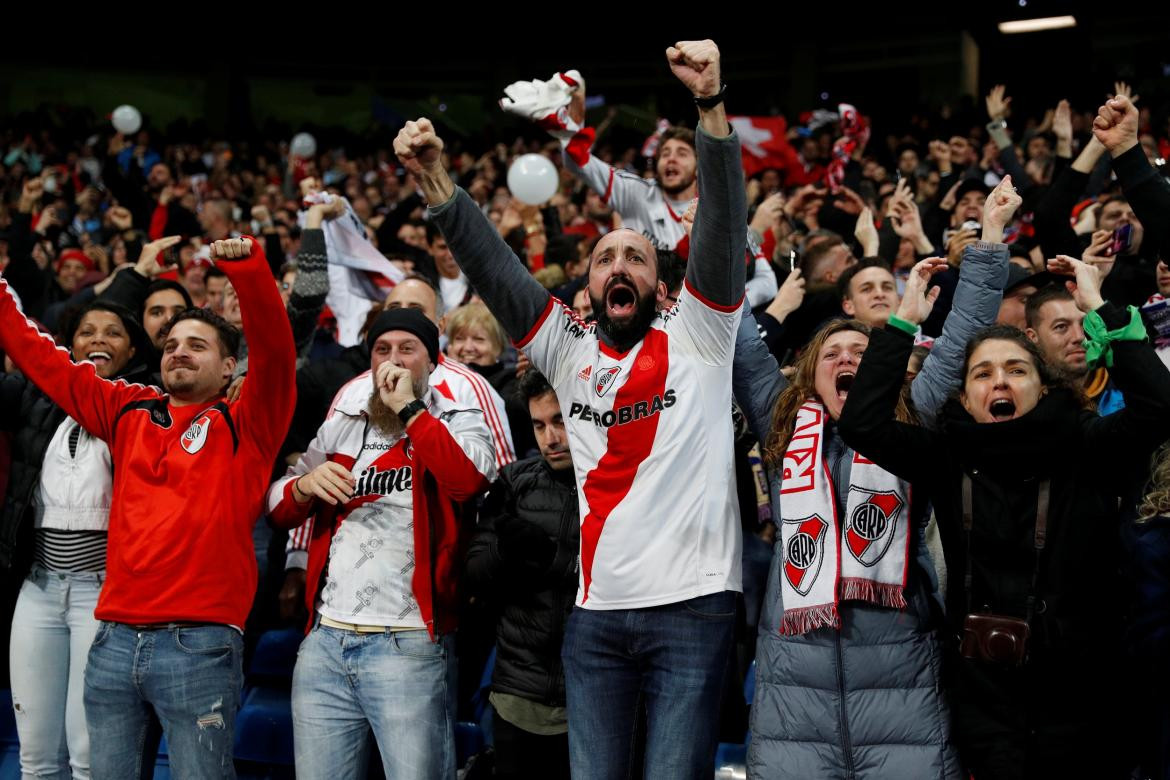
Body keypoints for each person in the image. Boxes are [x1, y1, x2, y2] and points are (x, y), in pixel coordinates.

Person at [397, 39, 745, 779]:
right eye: (605, 259)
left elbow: (720, 225)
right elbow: (495, 269)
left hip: (695, 609)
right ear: (587, 285)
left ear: (661, 281)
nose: (620, 265)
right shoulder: (566, 347)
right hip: (596, 619)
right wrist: (436, 183)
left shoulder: (704, 333)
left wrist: (710, 106)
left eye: (638, 257)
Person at [838, 255, 1170, 778]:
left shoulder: (1085, 444)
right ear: (966, 397)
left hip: (1086, 694)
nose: (1000, 382)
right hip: (986, 693)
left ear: (1043, 385)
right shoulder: (946, 454)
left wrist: (1101, 308)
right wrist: (902, 323)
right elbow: (862, 423)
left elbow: (1158, 408)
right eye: (983, 373)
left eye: (1016, 370)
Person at [734, 177, 1019, 779]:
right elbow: (736, 341)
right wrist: (715, 246)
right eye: (831, 354)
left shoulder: (911, 413)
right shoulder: (781, 426)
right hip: (795, 693)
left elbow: (963, 333)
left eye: (860, 355)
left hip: (904, 686)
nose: (844, 361)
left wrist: (991, 241)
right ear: (808, 376)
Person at [0, 236, 294, 778]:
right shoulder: (127, 409)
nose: (179, 351)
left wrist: (249, 271)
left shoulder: (249, 422)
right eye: (172, 343)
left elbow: (276, 350)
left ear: (230, 367)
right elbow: (42, 358)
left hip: (199, 640)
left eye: (198, 345)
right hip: (111, 635)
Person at [266, 308, 496, 779]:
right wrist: (305, 486)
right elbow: (275, 505)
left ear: (432, 362)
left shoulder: (459, 417)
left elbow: (468, 481)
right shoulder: (344, 422)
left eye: (407, 350)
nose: (392, 362)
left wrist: (410, 410)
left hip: (408, 643)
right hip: (326, 641)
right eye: (381, 350)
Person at [0, 301, 150, 780]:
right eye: (87, 331)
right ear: (70, 346)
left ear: (132, 348)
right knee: (36, 756)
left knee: (89, 758)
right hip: (37, 591)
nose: (99, 339)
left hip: (102, 596)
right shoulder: (33, 397)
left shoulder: (146, 409)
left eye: (113, 332)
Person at [501, 68, 777, 308]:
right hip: (635, 316)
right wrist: (567, 128)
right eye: (665, 153)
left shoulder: (717, 210)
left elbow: (766, 282)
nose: (670, 158)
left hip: (699, 322)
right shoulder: (637, 193)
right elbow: (580, 163)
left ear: (698, 167)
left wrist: (720, 306)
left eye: (681, 153)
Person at [464, 369, 579, 780]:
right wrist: (507, 550)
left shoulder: (617, 481)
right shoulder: (515, 480)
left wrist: (548, 556)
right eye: (539, 425)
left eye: (561, 421)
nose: (550, 438)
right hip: (515, 694)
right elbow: (474, 572)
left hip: (590, 699)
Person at [446, 302, 535, 457]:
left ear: (498, 347)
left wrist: (462, 372)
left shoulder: (513, 383)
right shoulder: (437, 383)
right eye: (459, 339)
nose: (468, 347)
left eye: (479, 339)